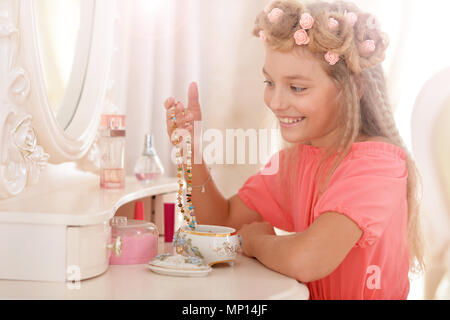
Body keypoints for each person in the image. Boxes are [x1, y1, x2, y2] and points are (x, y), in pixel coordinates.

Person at [163, 0, 424, 300]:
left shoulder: (377, 166)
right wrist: (192, 152)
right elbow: (220, 222)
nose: (275, 102)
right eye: (270, 82)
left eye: (297, 88)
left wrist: (256, 243)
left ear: (354, 88)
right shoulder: (296, 163)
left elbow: (307, 259)